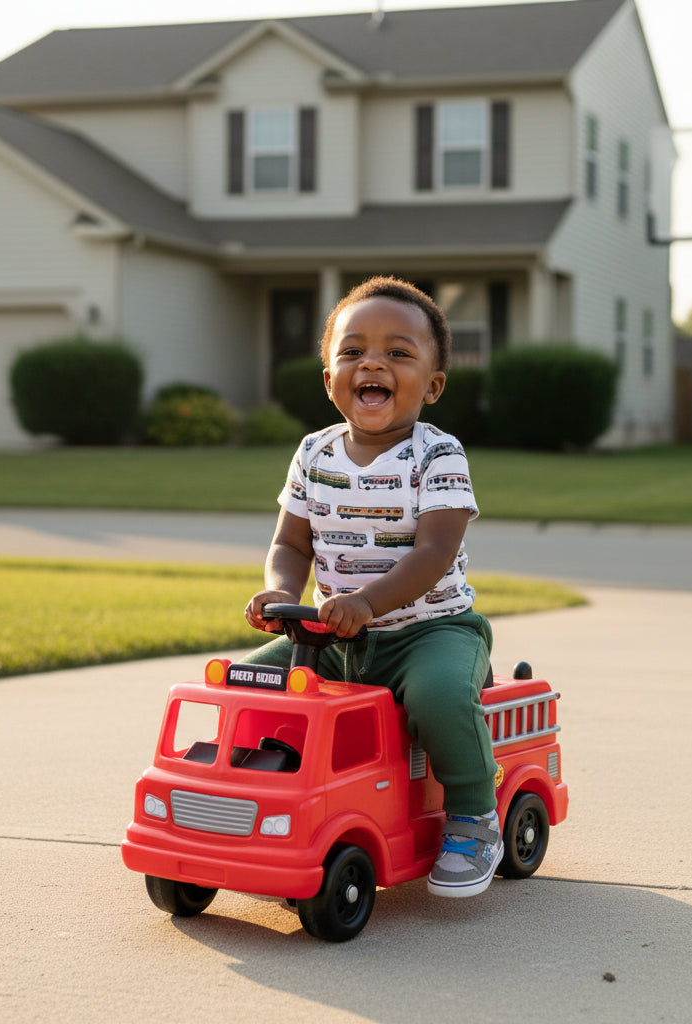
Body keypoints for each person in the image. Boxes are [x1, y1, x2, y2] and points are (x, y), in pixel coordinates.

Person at [244, 275, 501, 898]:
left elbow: (436, 552)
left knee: (438, 696)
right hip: (333, 638)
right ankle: (263, 802)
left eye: (398, 353)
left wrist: (367, 601)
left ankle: (474, 815)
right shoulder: (313, 453)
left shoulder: (437, 454)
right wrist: (281, 590)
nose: (373, 363)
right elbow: (291, 544)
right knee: (251, 685)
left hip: (430, 631)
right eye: (353, 351)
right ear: (329, 377)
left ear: (433, 386)